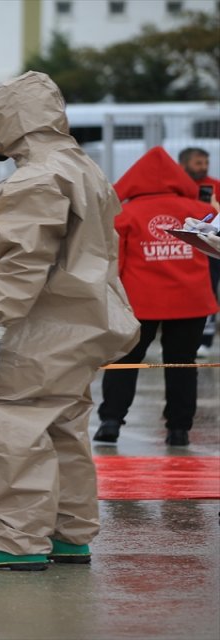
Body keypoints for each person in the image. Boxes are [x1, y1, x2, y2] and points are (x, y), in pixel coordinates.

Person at [0, 72, 139, 571]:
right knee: (65, 432)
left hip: (32, 330)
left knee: (13, 434)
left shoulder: (35, 178)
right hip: (81, 327)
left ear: (10, 121)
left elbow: (22, 261)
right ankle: (69, 535)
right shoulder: (82, 168)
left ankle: (15, 543)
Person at [94, 147, 219, 447]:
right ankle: (179, 429)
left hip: (140, 302)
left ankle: (111, 420)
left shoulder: (124, 214)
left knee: (126, 360)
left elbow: (115, 264)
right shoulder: (200, 212)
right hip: (190, 302)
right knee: (182, 363)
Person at [177, 147, 220, 357]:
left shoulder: (212, 185)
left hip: (211, 244)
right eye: (198, 163)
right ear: (183, 164)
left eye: (206, 162)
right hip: (184, 246)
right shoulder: (175, 186)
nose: (203, 167)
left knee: (210, 289)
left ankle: (206, 339)